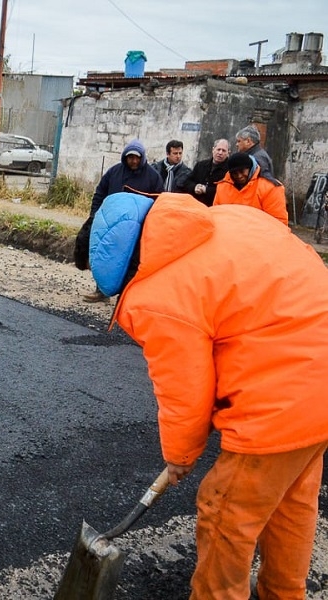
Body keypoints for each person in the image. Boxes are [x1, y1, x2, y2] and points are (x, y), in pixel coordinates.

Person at [87, 190, 328, 600]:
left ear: (127, 270)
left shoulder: (159, 291)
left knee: (224, 512)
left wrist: (180, 456)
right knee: (290, 503)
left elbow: (185, 388)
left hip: (278, 401)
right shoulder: (227, 218)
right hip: (318, 390)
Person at [75, 139, 163, 303]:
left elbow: (160, 200)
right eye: (130, 157)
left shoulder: (152, 176)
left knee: (132, 261)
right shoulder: (114, 172)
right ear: (125, 157)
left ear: (142, 157)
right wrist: (95, 215)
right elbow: (100, 193)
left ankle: (126, 296)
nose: (134, 161)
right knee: (106, 255)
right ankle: (101, 291)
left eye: (137, 158)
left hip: (138, 228)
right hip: (111, 226)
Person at [213, 152, 288, 225]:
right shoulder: (222, 187)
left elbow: (278, 223)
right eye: (235, 173)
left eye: (242, 171)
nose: (239, 176)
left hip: (260, 235)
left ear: (250, 168)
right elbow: (216, 215)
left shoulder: (270, 188)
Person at [182, 138, 230, 206]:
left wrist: (206, 190)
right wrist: (194, 187)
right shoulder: (201, 165)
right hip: (195, 205)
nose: (220, 153)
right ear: (213, 149)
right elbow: (187, 182)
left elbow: (227, 191)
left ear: (228, 153)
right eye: (218, 149)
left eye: (224, 150)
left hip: (215, 207)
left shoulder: (230, 170)